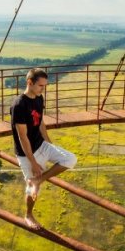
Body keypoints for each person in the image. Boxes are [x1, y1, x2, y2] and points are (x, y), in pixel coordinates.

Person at [11, 68, 76, 229]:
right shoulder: (19, 105)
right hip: (27, 154)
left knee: (70, 159)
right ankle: (28, 215)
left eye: (45, 85)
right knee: (32, 190)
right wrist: (33, 162)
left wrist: (49, 144)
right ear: (29, 82)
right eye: (41, 85)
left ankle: (39, 179)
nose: (43, 89)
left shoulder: (39, 98)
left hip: (42, 145)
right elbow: (22, 137)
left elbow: (40, 122)